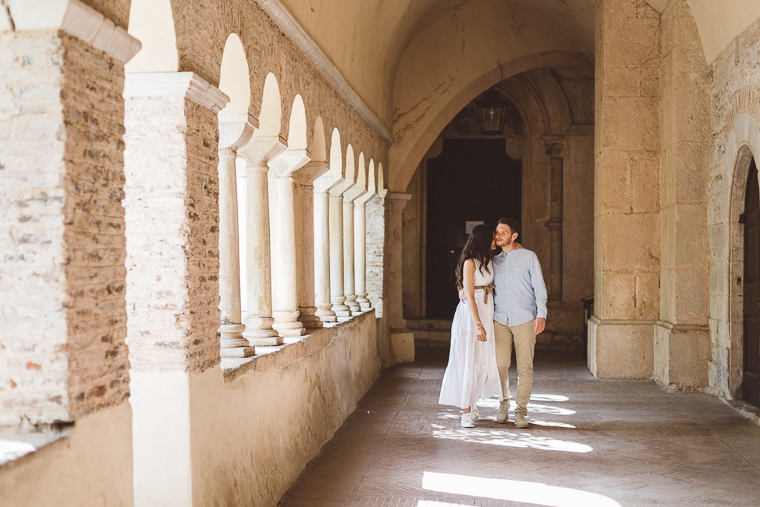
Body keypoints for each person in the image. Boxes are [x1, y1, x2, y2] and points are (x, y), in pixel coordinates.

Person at [439, 224, 503, 428]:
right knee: (468, 359)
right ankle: (465, 411)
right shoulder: (470, 263)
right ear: (483, 240)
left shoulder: (490, 260)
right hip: (471, 316)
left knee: (481, 361)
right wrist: (478, 324)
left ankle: (472, 401)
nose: (495, 240)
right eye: (493, 237)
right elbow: (468, 294)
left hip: (487, 312)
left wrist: (516, 247)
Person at [492, 218, 547, 428]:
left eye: (503, 232)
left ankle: (521, 411)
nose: (498, 236)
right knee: (500, 365)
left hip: (525, 318)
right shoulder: (493, 261)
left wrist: (541, 314)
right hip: (499, 319)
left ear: (514, 236)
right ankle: (503, 403)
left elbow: (539, 288)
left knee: (525, 367)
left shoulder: (529, 257)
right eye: (496, 232)